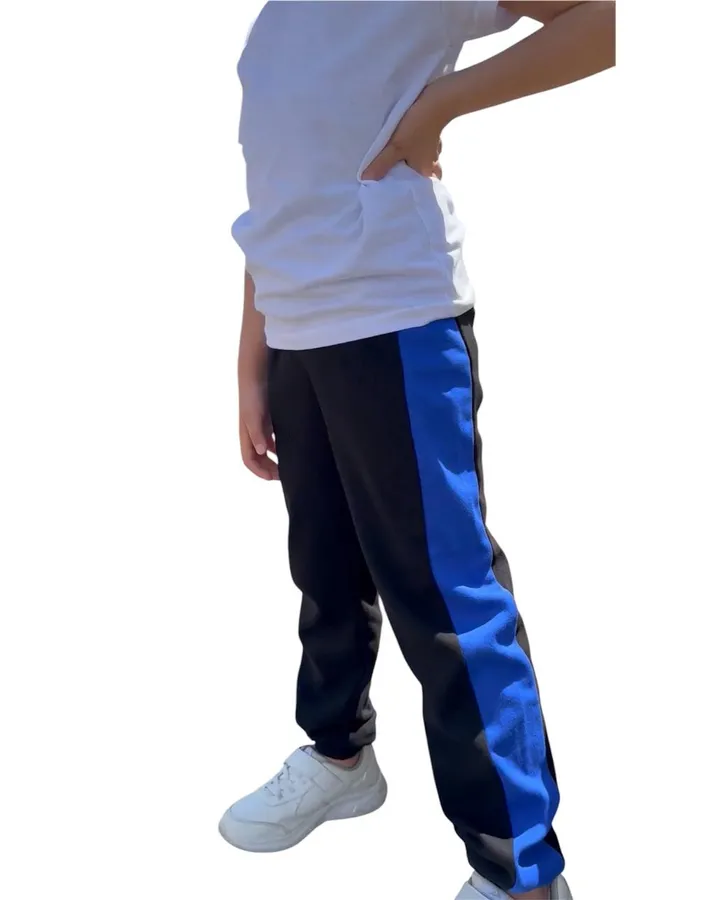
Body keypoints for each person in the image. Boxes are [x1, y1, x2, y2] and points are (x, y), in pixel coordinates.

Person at [219, 3, 615, 899]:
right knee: (325, 571)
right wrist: (252, 358)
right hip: (298, 330)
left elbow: (604, 21)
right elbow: (277, 196)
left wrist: (442, 103)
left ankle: (520, 869)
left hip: (392, 317)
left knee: (445, 597)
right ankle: (340, 756)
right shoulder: (277, 22)